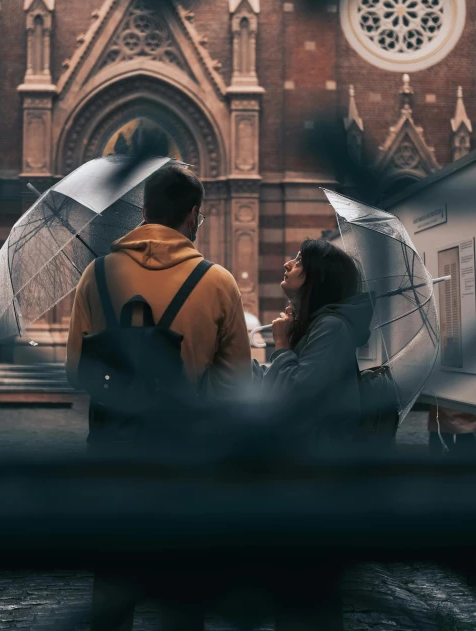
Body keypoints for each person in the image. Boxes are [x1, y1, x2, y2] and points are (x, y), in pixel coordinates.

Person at [65, 163, 251, 631]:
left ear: (143, 211)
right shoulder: (218, 282)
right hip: (186, 467)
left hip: (114, 461)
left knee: (111, 590)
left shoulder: (96, 274)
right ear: (193, 216)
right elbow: (233, 390)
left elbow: (76, 372)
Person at [262, 239, 373, 631]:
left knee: (308, 592)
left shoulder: (330, 327)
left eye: (298, 259)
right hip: (305, 477)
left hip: (316, 481)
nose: (287, 262)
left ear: (317, 275)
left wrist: (279, 347)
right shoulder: (317, 325)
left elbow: (297, 395)